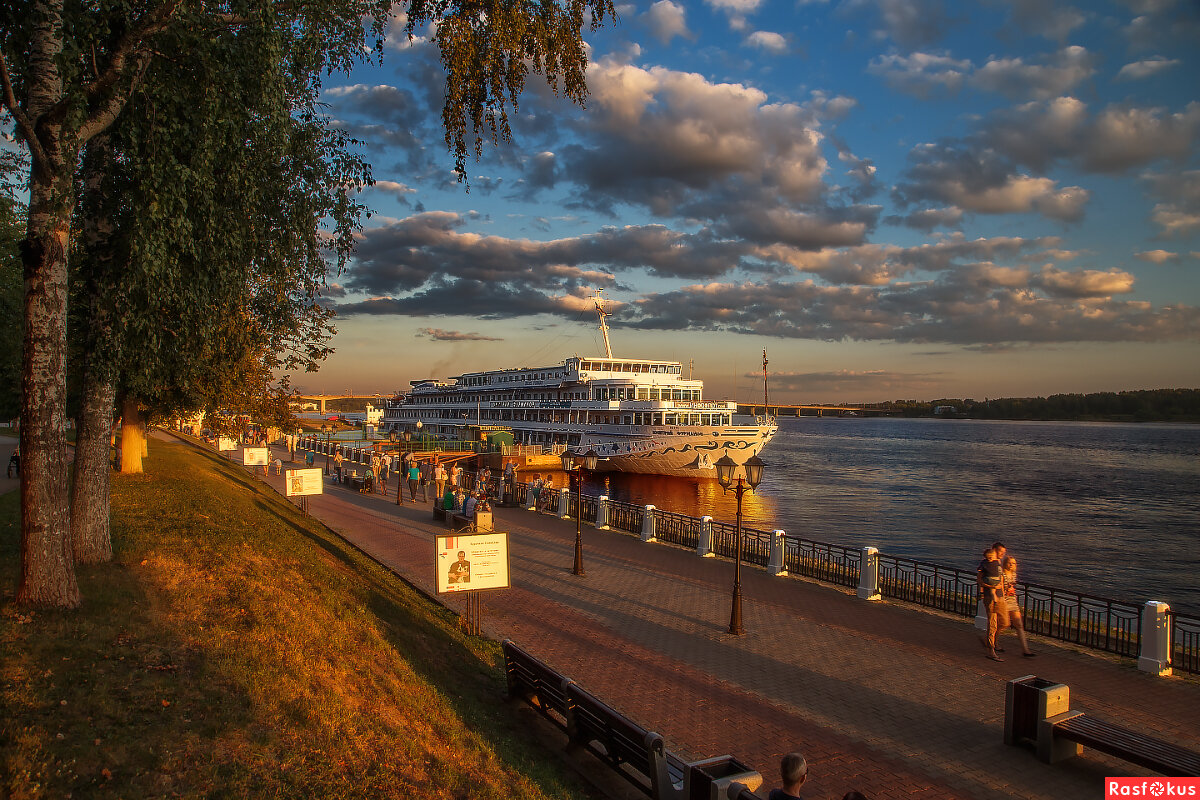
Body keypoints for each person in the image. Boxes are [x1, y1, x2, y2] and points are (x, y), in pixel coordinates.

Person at [977, 546, 1007, 662]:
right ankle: (991, 650)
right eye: (1001, 552)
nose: (1003, 554)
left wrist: (1003, 595)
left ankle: (992, 640)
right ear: (994, 551)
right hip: (990, 598)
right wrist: (991, 586)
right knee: (993, 623)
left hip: (1000, 597)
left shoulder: (998, 563)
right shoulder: (986, 564)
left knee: (1004, 622)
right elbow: (979, 580)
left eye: (1004, 552)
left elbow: (1002, 580)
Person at [1001, 555, 1036, 657]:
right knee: (1004, 624)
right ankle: (990, 641)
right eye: (1010, 563)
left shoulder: (1013, 574)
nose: (1012, 565)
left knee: (1019, 624)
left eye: (1014, 563)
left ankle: (1025, 650)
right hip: (1004, 601)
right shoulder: (1002, 575)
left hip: (1012, 600)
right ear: (1005, 563)